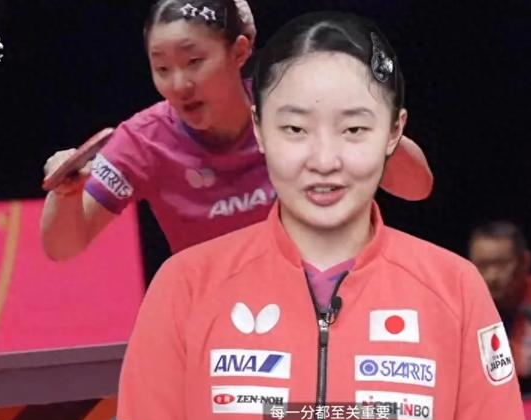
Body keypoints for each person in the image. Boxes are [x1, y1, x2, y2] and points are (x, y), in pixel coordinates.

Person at [113, 10, 528, 420]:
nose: (324, 161)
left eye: (354, 129)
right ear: (259, 128)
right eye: (295, 129)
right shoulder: (185, 286)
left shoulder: (455, 290)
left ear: (393, 132)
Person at [40, 0, 433, 261]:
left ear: (240, 52)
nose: (179, 84)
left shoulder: (292, 104)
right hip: (221, 318)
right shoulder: (143, 141)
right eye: (162, 68)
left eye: (194, 61)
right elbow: (62, 248)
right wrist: (67, 195)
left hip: (327, 296)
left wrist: (358, 117)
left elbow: (417, 187)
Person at [469, 221, 531, 390]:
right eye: (483, 265)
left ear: (525, 261)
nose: (492, 277)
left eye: (501, 264)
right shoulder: (462, 311)